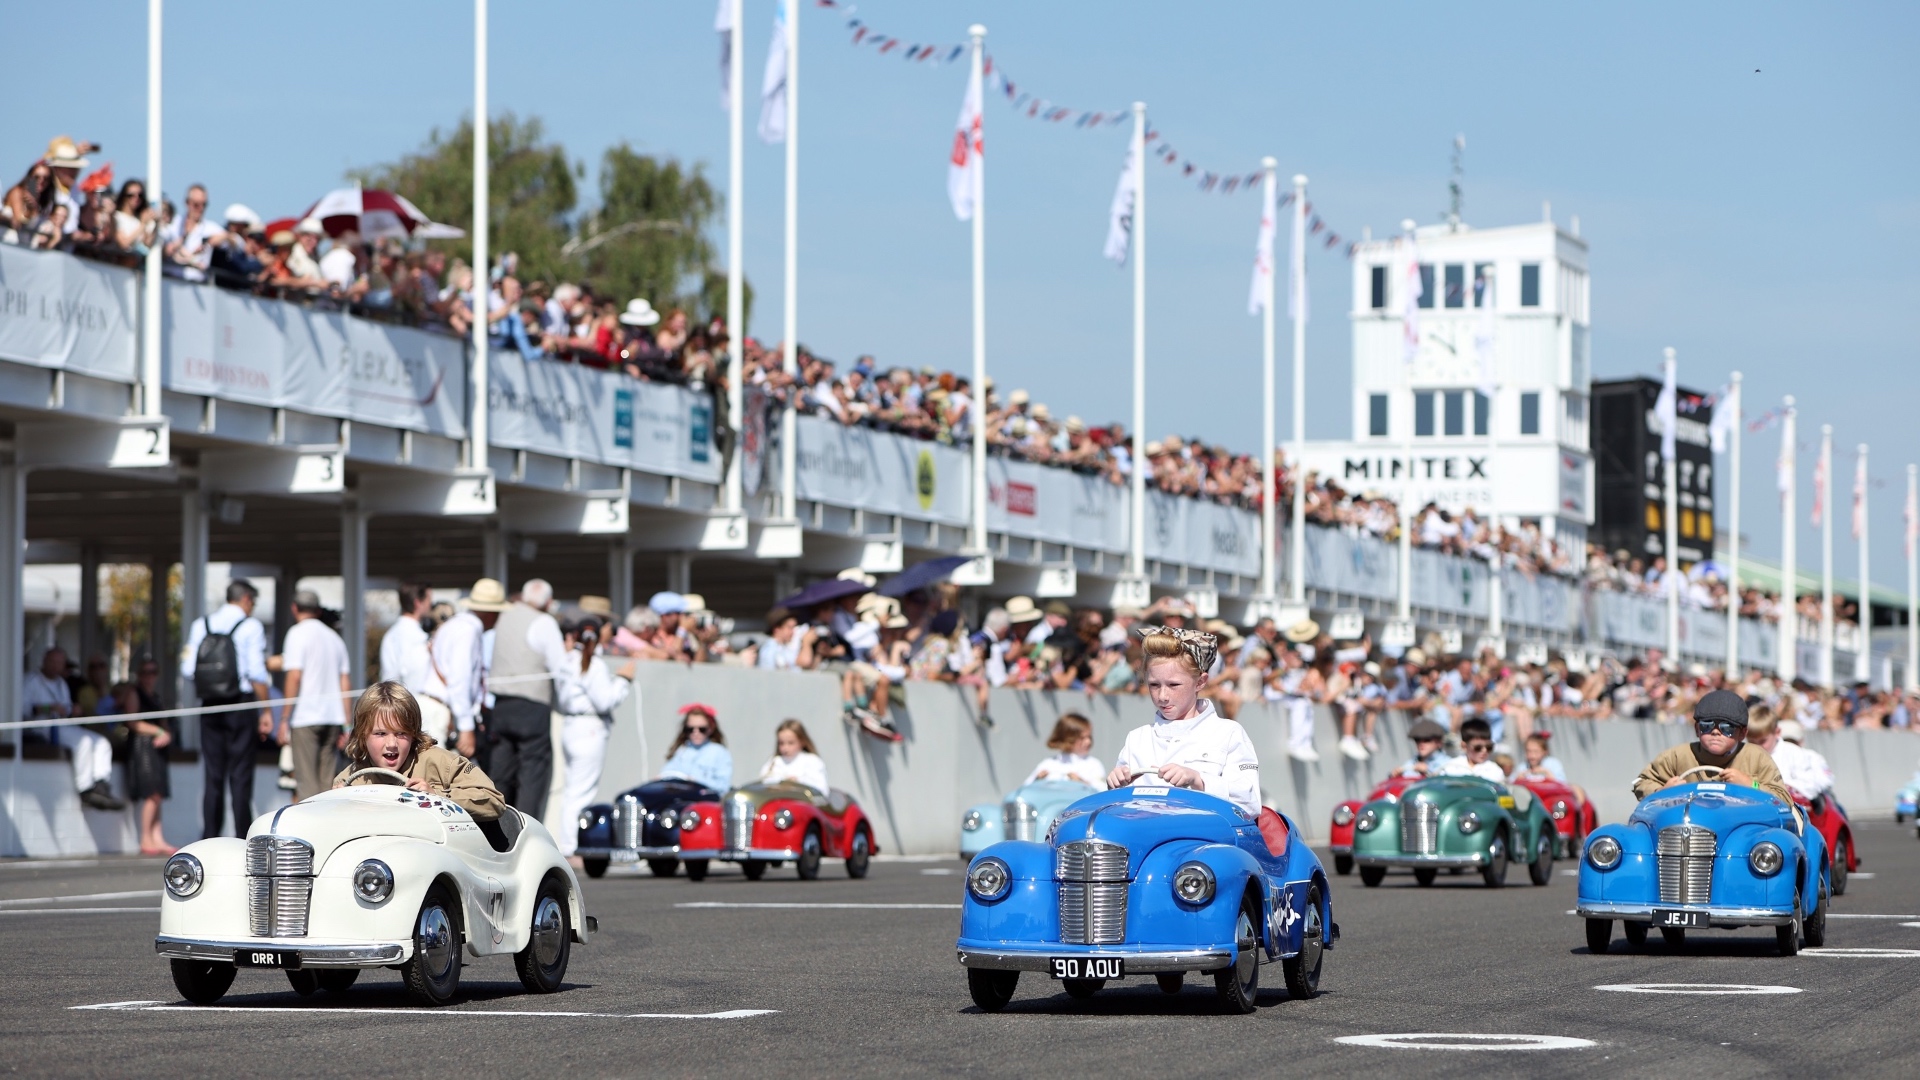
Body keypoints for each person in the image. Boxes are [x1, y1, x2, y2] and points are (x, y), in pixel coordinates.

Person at [1106, 626, 1261, 816]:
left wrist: (1198, 780)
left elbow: (1250, 804)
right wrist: (1115, 786)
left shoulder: (1228, 732)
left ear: (1200, 682)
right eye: (1154, 685)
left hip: (1203, 841)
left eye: (1173, 685)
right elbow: (1121, 810)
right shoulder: (1137, 738)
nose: (1162, 696)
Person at [331, 682, 505, 821]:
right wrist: (338, 805)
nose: (391, 744)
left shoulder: (440, 763)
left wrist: (436, 797)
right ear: (362, 736)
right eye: (380, 734)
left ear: (414, 734)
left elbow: (494, 800)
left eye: (401, 733)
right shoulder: (350, 779)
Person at [182, 579, 273, 838]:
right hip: (240, 704)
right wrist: (265, 711)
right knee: (240, 775)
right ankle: (242, 840)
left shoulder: (202, 624)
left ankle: (209, 837)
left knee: (213, 776)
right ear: (245, 598)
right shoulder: (250, 626)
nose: (253, 607)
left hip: (210, 704)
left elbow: (187, 669)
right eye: (253, 602)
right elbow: (256, 672)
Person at [485, 578, 571, 821]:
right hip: (532, 705)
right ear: (548, 601)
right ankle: (527, 831)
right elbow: (559, 667)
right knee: (533, 775)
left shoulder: (505, 617)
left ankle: (494, 828)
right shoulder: (544, 622)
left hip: (501, 704)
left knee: (501, 774)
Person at [554, 617, 635, 860]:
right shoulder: (594, 664)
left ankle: (568, 845)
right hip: (589, 728)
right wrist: (623, 681)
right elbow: (605, 701)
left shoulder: (565, 661)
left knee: (572, 790)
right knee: (580, 792)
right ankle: (570, 848)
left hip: (570, 725)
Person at [1631, 689, 1792, 804]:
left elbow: (1784, 799)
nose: (1715, 732)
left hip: (1742, 831)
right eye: (1706, 726)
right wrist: (1663, 792)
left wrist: (1751, 785)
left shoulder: (1756, 756)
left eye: (1726, 728)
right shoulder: (1677, 756)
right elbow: (1641, 782)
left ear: (1742, 733)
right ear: (1696, 729)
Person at [24, 646, 124, 811]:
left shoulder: (61, 683)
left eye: (60, 663)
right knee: (84, 742)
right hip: (41, 728)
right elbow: (23, 709)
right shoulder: (31, 680)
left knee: (101, 742)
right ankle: (85, 790)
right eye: (53, 661)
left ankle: (101, 785)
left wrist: (73, 710)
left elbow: (66, 708)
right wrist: (49, 708)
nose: (56, 666)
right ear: (45, 661)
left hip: (62, 725)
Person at [277, 590, 352, 802]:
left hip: (305, 718)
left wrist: (284, 717)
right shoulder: (334, 638)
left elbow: (294, 676)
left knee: (307, 786)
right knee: (327, 785)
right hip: (332, 718)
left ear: (294, 608)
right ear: (317, 611)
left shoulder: (296, 633)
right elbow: (345, 681)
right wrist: (347, 724)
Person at [436, 579, 500, 760]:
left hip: (446, 711)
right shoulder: (468, 631)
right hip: (446, 714)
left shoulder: (459, 625)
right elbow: (459, 679)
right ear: (490, 613)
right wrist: (466, 727)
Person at [379, 584, 450, 743]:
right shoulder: (415, 637)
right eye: (429, 601)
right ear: (418, 602)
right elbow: (411, 676)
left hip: (403, 709)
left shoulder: (391, 635)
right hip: (419, 711)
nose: (430, 607)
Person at [114, 680, 174, 855]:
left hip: (157, 749)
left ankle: (158, 837)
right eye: (146, 673)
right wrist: (157, 731)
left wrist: (167, 734)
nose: (150, 676)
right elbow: (132, 722)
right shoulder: (135, 693)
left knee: (158, 794)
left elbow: (164, 723)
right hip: (142, 748)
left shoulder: (155, 697)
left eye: (153, 673)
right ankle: (146, 838)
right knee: (151, 793)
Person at [1750, 709, 1836, 804]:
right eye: (1752, 742)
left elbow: (1814, 786)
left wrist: (1783, 787)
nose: (1756, 747)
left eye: (1762, 741)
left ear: (1777, 733)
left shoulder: (1797, 754)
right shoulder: (1747, 756)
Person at [660, 704, 734, 792]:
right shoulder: (682, 750)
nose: (696, 733)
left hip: (705, 800)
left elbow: (723, 786)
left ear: (710, 729)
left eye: (702, 729)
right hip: (680, 800)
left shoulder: (719, 752)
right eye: (691, 729)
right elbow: (667, 773)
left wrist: (696, 781)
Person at [1022, 713, 1107, 788]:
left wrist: (1083, 783)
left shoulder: (1093, 765)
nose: (1088, 741)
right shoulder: (1048, 764)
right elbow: (1024, 790)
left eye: (1089, 737)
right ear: (1068, 738)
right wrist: (1037, 781)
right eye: (1082, 738)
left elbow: (1102, 790)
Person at [758, 719, 830, 795]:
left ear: (802, 741)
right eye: (781, 743)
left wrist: (797, 782)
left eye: (790, 743)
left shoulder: (812, 761)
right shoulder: (774, 762)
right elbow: (763, 783)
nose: (785, 748)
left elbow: (821, 789)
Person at [1441, 718, 1508, 783]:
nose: (1484, 751)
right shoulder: (1451, 768)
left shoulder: (1495, 771)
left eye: (1489, 747)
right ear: (1464, 746)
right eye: (1478, 748)